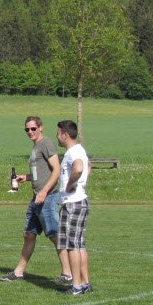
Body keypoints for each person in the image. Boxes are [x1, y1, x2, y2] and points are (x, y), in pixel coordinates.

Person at [0, 116, 63, 283]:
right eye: (27, 129)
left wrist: (44, 191)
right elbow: (40, 172)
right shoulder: (36, 147)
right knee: (29, 234)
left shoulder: (46, 144)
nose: (30, 132)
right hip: (37, 197)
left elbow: (57, 170)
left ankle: (68, 273)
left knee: (54, 234)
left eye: (33, 128)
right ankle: (19, 272)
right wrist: (25, 177)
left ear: (41, 127)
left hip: (47, 197)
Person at [56, 120, 91, 295]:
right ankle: (85, 283)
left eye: (58, 134)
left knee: (71, 245)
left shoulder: (73, 152)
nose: (57, 137)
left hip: (72, 203)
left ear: (65, 135)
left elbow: (78, 168)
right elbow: (88, 167)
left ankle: (76, 286)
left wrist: (70, 184)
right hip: (80, 200)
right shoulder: (80, 150)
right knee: (79, 244)